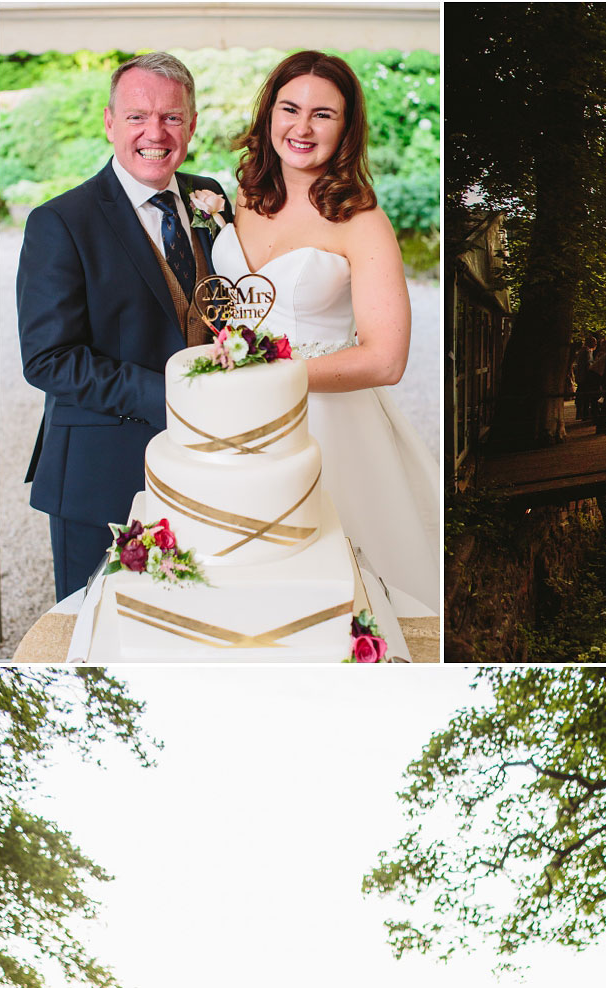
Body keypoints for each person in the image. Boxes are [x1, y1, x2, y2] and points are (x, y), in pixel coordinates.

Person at [209, 50, 440, 609]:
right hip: (234, 416)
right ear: (269, 115)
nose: (302, 127)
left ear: (347, 127)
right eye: (290, 108)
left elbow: (386, 359)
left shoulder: (360, 221)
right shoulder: (242, 197)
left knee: (326, 589)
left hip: (326, 422)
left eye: (324, 114)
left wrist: (275, 376)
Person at [16, 53, 233, 599]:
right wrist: (176, 399)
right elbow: (48, 358)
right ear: (110, 122)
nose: (155, 133)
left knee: (198, 615)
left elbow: (223, 305)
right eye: (137, 117)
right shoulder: (61, 222)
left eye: (172, 118)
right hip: (101, 472)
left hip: (209, 465)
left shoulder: (209, 197)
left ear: (192, 123)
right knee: (99, 628)